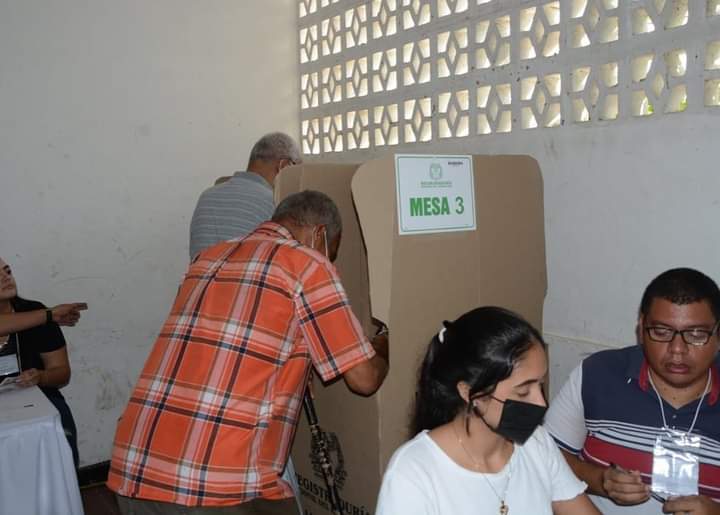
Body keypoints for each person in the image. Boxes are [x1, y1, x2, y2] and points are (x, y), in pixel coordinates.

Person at [108, 190, 389, 514]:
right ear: (319, 234)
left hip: (134, 465)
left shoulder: (208, 258)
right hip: (216, 483)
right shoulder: (308, 264)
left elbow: (237, 343)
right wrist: (384, 341)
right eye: (332, 251)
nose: (330, 259)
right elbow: (364, 378)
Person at [376, 306, 598, 515]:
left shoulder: (536, 444)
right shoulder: (414, 472)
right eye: (523, 392)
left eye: (540, 385)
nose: (541, 403)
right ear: (469, 392)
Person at [545, 267, 720, 515]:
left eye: (696, 334)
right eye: (661, 332)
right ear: (641, 329)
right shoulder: (598, 374)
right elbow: (545, 457)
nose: (677, 349)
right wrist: (600, 480)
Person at [0, 257, 84, 467]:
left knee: (59, 426)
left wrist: (41, 377)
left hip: (37, 399)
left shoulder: (36, 311)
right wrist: (49, 314)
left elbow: (62, 373)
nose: (5, 278)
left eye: (7, 271)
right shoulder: (43, 315)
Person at [189, 132, 302, 260]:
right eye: (296, 168)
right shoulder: (275, 203)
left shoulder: (207, 196)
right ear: (284, 166)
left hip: (200, 272)